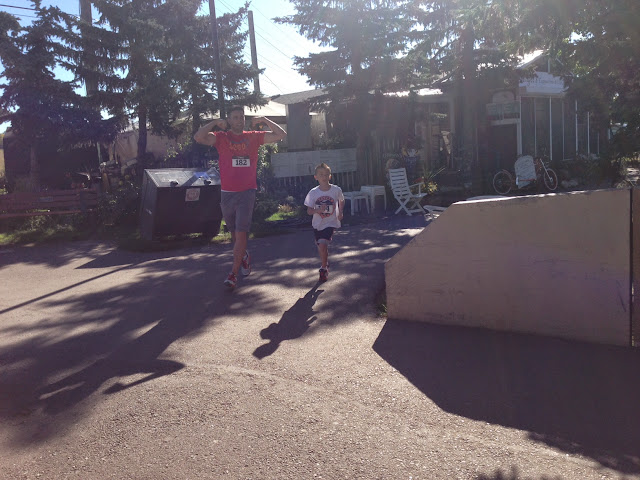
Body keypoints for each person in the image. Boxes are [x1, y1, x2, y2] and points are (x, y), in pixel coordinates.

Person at [194, 105, 287, 289]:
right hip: (227, 193)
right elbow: (198, 137)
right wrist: (214, 122)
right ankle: (244, 256)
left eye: (241, 117)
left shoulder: (253, 136)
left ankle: (233, 274)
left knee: (241, 232)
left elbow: (281, 134)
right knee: (234, 235)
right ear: (229, 120)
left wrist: (264, 120)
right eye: (235, 117)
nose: (239, 120)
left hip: (247, 192)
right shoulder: (221, 137)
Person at [304, 163, 345, 282]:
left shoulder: (336, 190)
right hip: (318, 224)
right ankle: (325, 262)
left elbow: (341, 200)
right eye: (321, 175)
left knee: (322, 244)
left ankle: (323, 269)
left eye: (326, 174)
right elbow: (309, 211)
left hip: (331, 222)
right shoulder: (313, 193)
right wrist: (317, 210)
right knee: (321, 246)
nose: (324, 177)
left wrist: (340, 212)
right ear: (316, 177)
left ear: (330, 176)